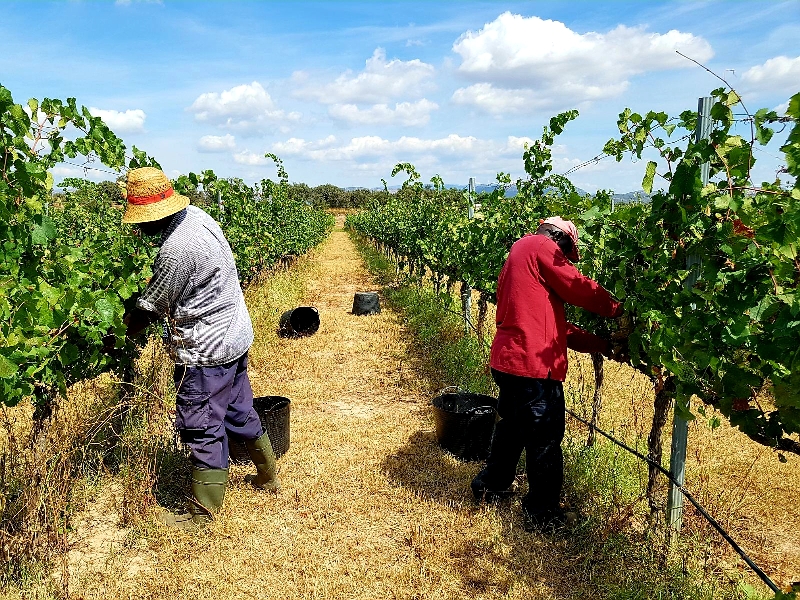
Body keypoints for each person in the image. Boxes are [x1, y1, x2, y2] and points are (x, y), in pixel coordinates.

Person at [119, 167, 279, 531]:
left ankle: (202, 514)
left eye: (139, 221)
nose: (137, 228)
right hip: (235, 335)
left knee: (202, 425)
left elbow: (151, 307)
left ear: (153, 217)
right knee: (239, 410)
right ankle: (268, 476)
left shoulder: (175, 251)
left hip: (206, 350)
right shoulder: (197, 217)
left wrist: (117, 336)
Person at [471, 216, 623, 532]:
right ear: (559, 238)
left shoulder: (520, 263)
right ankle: (542, 515)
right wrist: (618, 308)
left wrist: (602, 345)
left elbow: (558, 329)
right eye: (567, 254)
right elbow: (578, 288)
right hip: (533, 368)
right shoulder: (539, 244)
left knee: (512, 428)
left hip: (511, 361)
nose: (566, 261)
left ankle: (490, 486)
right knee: (545, 439)